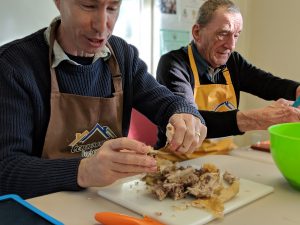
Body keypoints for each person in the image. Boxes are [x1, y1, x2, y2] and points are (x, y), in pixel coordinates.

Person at [0, 0, 207, 199]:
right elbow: (6, 169)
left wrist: (185, 113)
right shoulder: (12, 65)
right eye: (89, 6)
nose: (102, 25)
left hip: (108, 200)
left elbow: (167, 102)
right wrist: (85, 170)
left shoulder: (123, 55)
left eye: (112, 8)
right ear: (59, 2)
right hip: (38, 209)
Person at [156, 0, 300, 158]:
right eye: (223, 34)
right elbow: (189, 120)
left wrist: (296, 90)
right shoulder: (174, 64)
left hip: (223, 157)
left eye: (236, 35)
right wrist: (257, 119)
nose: (230, 45)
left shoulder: (233, 62)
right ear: (197, 32)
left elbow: (268, 84)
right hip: (178, 162)